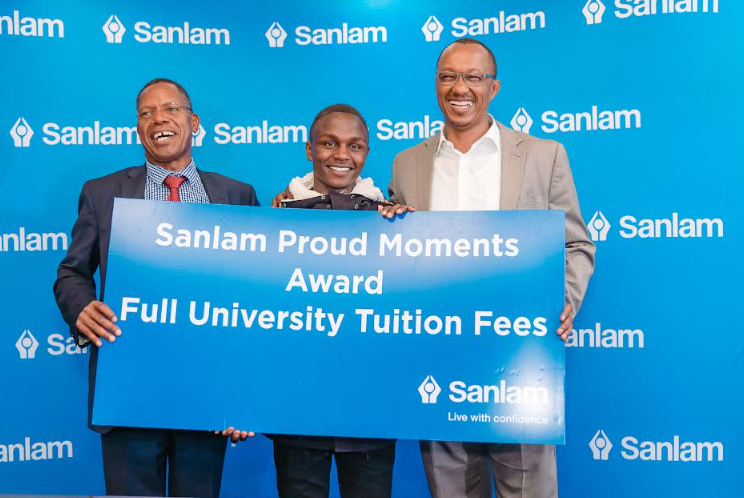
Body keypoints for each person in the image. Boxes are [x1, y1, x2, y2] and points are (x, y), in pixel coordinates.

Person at [387, 39, 596, 498]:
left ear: (494, 87)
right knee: (450, 490)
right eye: (448, 77)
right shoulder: (408, 164)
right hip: (437, 358)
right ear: (436, 85)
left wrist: (563, 299)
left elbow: (576, 243)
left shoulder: (544, 155)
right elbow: (396, 254)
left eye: (473, 77)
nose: (460, 88)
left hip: (520, 358)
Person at [53, 78, 259, 497]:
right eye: (146, 113)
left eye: (170, 109)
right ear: (137, 128)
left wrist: (244, 391)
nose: (158, 119)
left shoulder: (237, 195)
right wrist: (81, 308)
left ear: (193, 121)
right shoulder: (102, 193)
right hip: (129, 389)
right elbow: (72, 273)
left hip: (207, 391)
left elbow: (257, 296)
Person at [269, 103, 411, 498]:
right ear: (309, 149)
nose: (342, 155)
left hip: (370, 409)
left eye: (355, 146)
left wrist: (412, 236)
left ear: (367, 153)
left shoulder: (393, 221)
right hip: (298, 408)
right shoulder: (274, 221)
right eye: (329, 143)